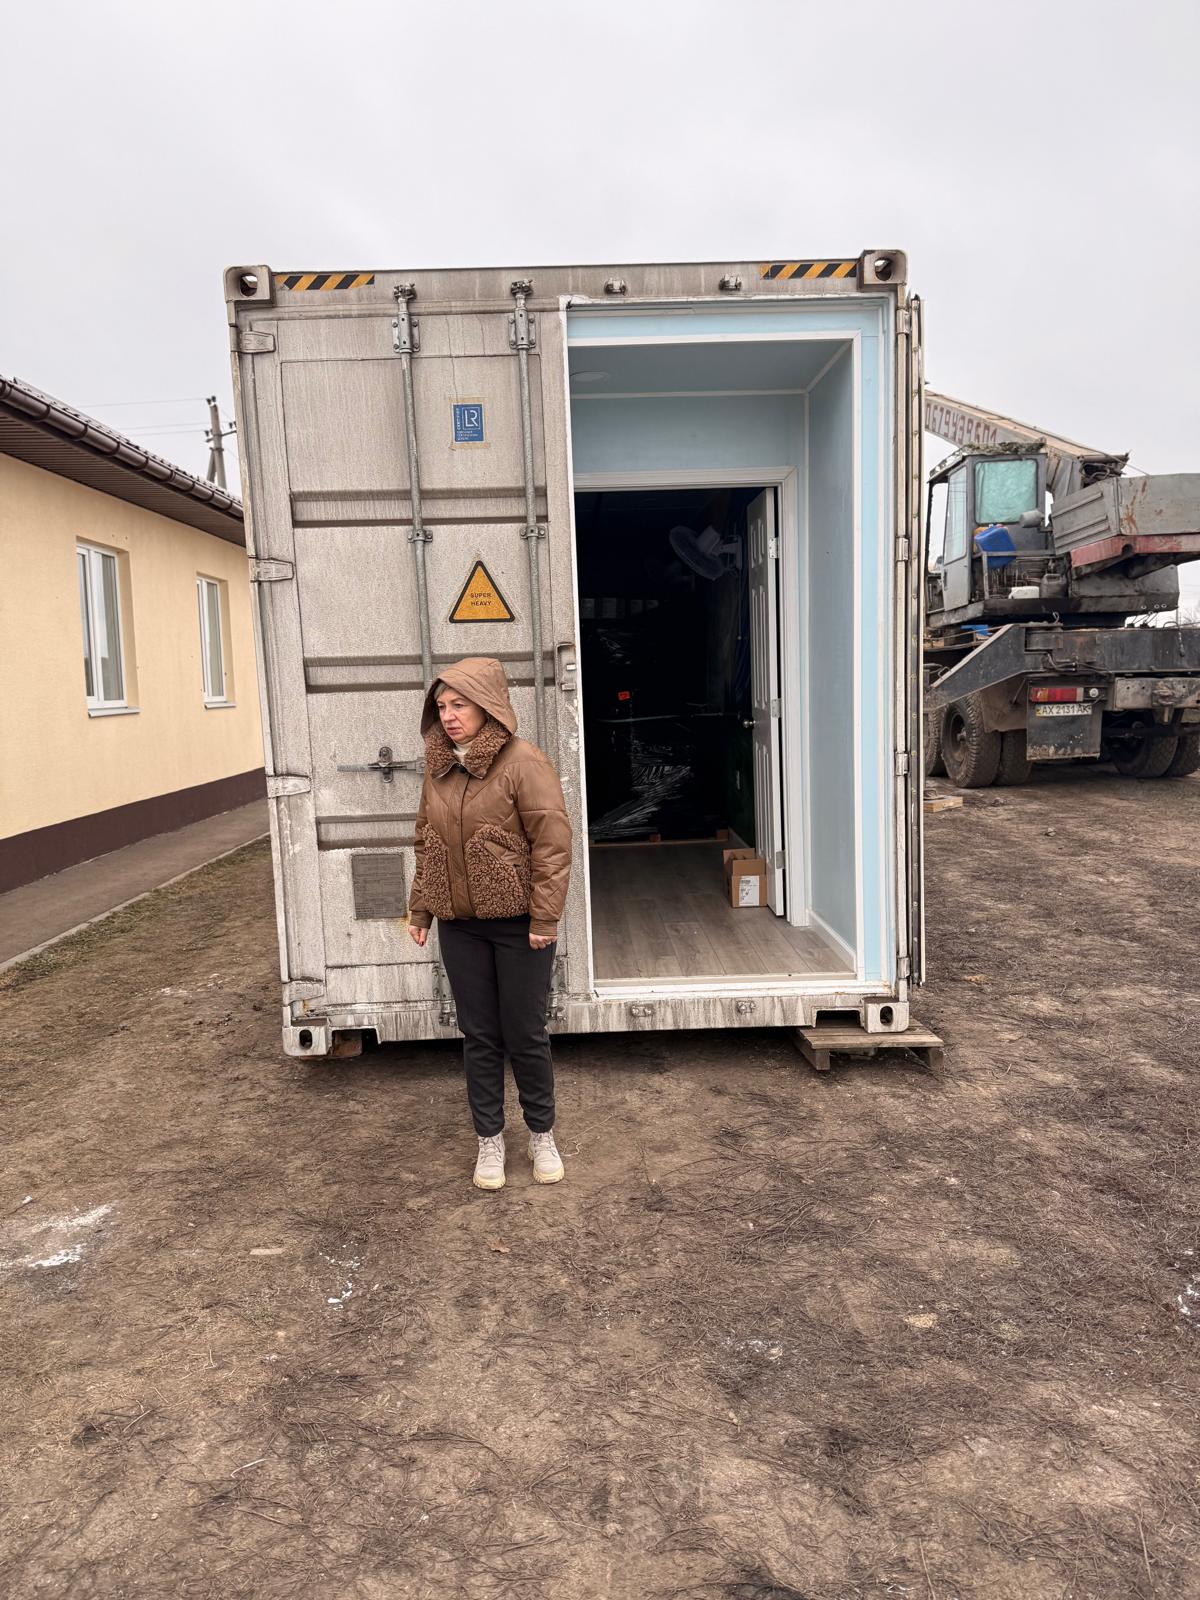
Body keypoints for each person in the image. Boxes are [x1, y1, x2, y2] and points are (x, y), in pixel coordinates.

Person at [407, 658, 572, 1190]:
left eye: (460, 705)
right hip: (460, 926)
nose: (449, 716)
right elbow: (427, 841)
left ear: (488, 707)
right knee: (478, 1035)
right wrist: (421, 909)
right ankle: (489, 1140)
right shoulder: (438, 766)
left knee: (524, 1033)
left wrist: (545, 917)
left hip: (520, 926)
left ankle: (541, 1134)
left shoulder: (525, 762)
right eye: (441, 706)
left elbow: (552, 845)